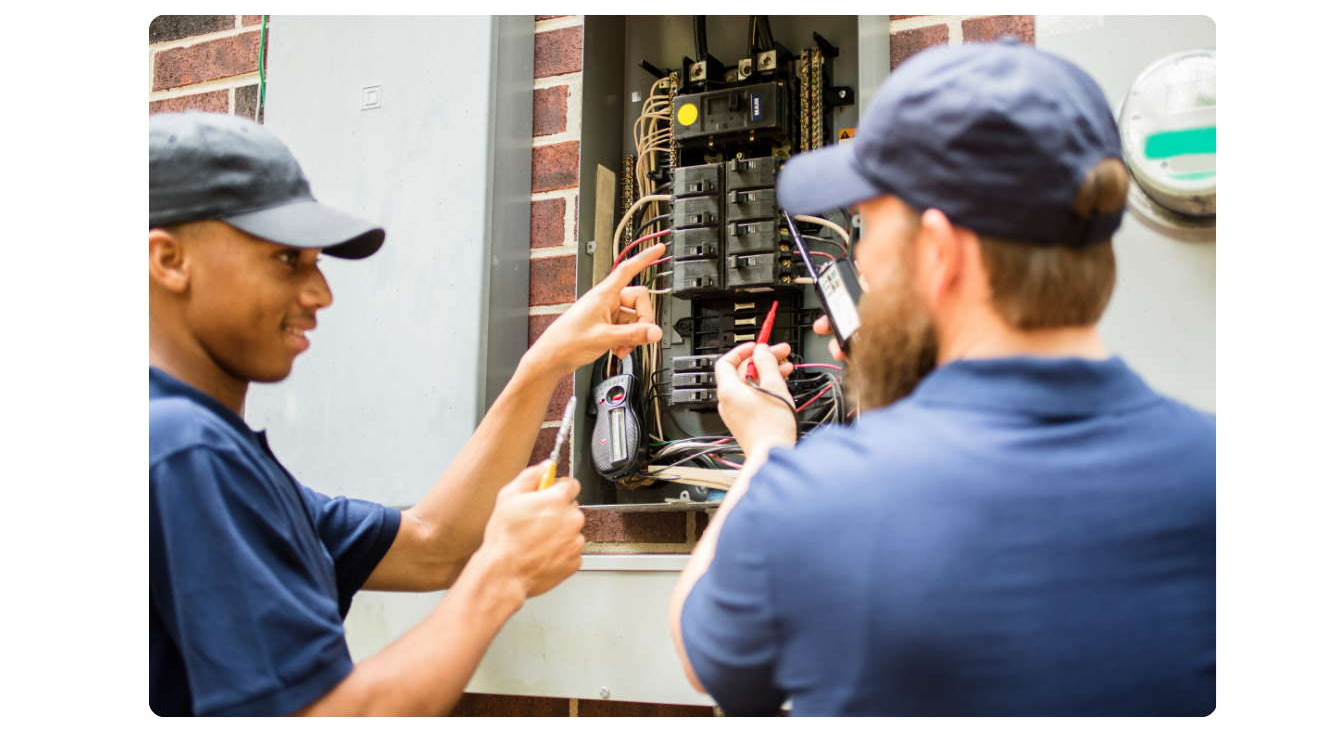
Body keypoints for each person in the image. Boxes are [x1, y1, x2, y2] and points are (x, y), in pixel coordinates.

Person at [669, 40, 1217, 717]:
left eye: (869, 228)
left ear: (940, 253)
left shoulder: (817, 502)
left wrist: (766, 449)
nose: (860, 260)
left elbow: (700, 654)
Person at [148, 111, 669, 717]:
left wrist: (543, 364)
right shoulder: (185, 450)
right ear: (168, 261)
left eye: (317, 262)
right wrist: (500, 576)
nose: (320, 293)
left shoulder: (212, 454)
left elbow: (434, 545)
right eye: (288, 260)